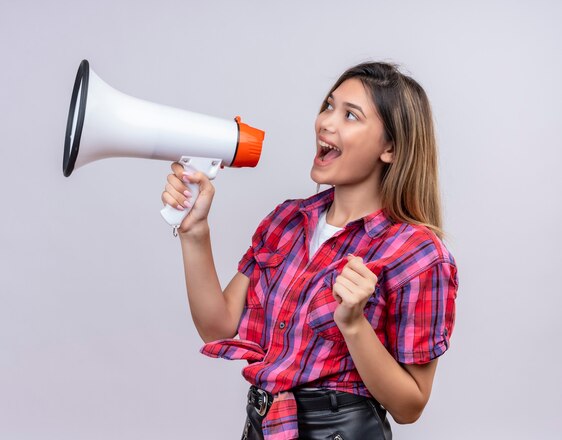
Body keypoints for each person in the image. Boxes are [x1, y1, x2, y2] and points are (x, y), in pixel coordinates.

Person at [161, 61, 458, 440]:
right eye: (329, 106)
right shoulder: (287, 220)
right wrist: (194, 231)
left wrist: (353, 324)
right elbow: (217, 328)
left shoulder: (418, 255)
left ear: (391, 149)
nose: (325, 122)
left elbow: (410, 405)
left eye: (350, 115)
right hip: (265, 426)